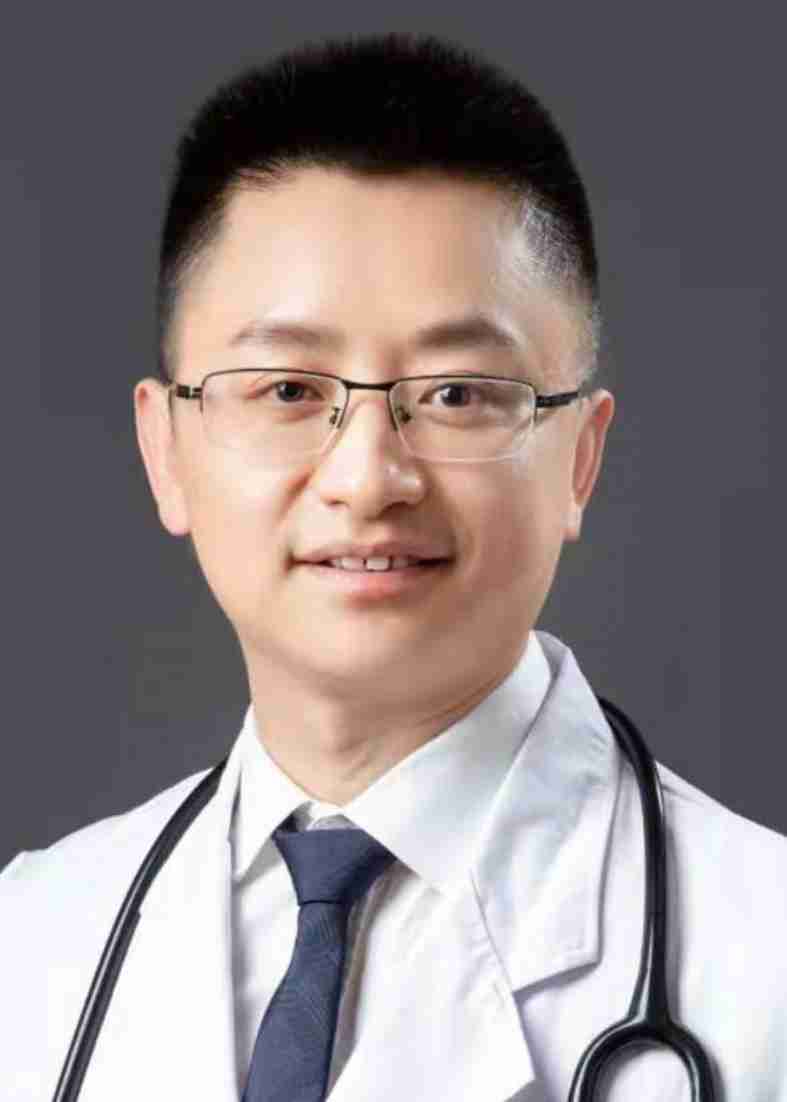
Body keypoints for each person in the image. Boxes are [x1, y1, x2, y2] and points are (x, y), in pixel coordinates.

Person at [2, 31, 785, 1102]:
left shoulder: (761, 961)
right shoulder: (33, 941)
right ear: (164, 449)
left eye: (457, 393)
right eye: (286, 389)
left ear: (580, 458)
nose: (368, 477)